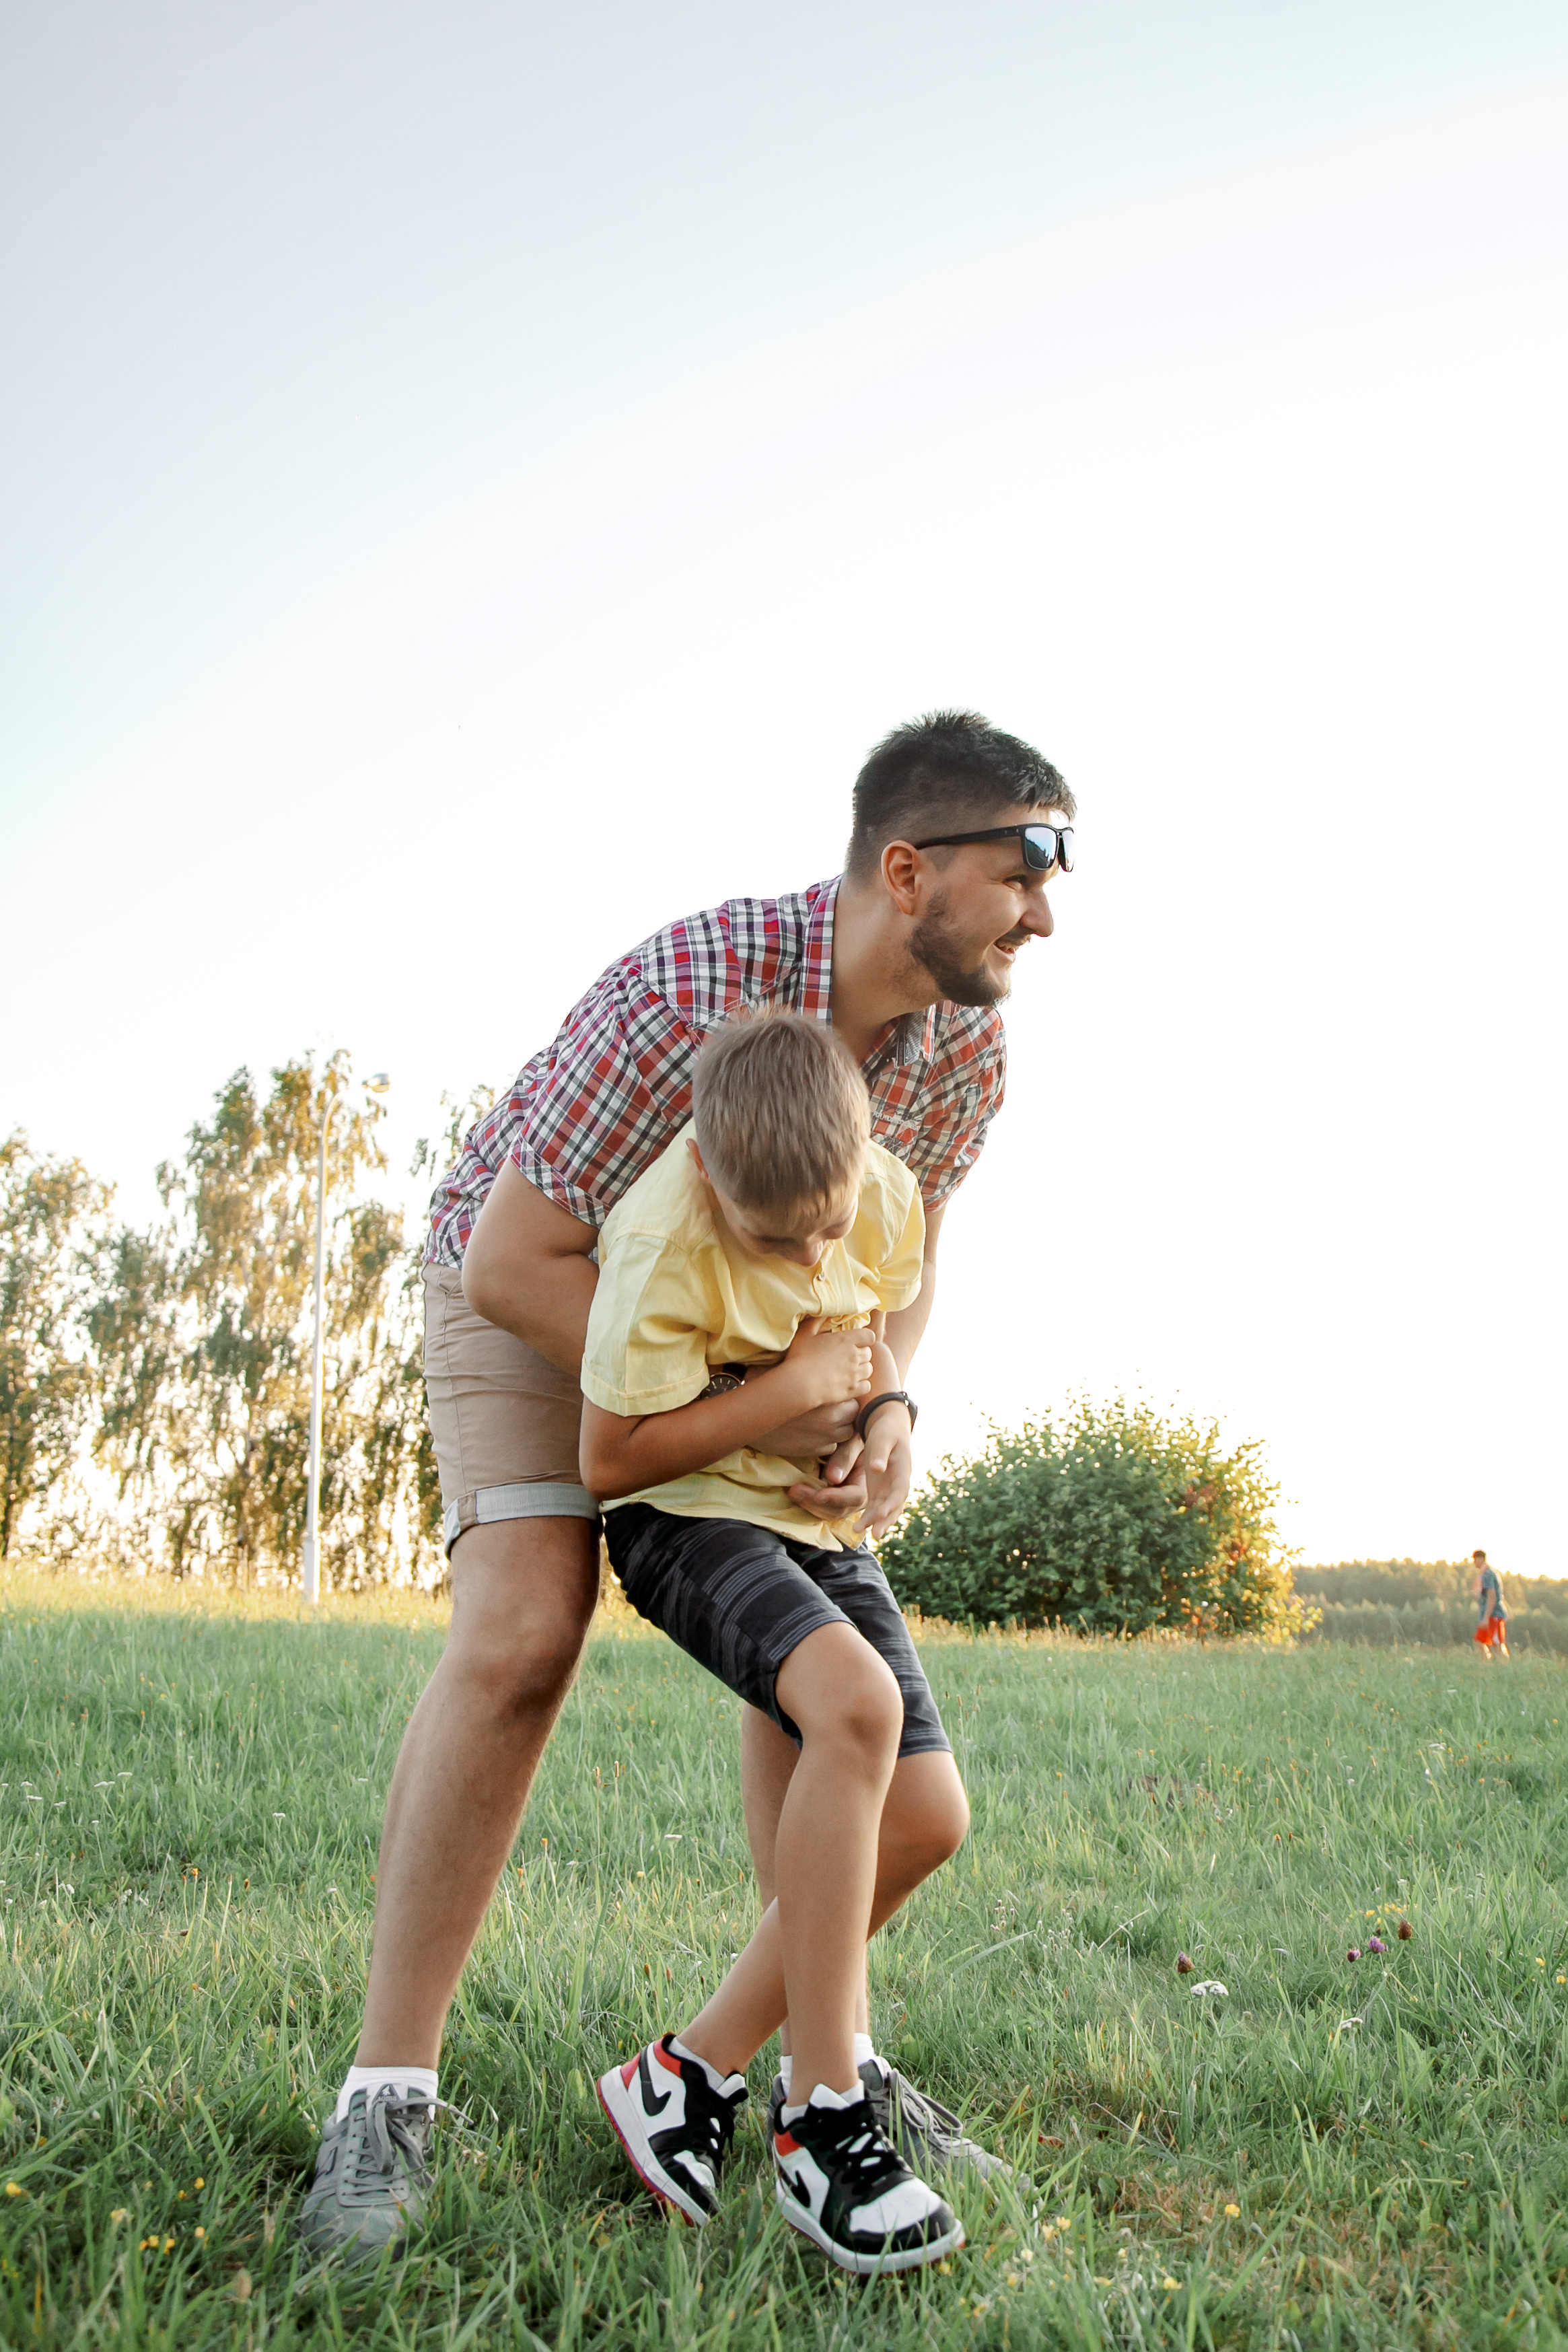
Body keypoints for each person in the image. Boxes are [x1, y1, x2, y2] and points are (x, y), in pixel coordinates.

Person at [299, 709, 1075, 2258]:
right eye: (1028, 863)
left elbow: (901, 1261)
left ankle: (817, 2063)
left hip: (762, 1341)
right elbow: (520, 1260)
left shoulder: (967, 1049)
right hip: (545, 1291)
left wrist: (881, 1396)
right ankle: (384, 2097)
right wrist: (744, 1407)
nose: (1047, 908)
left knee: (814, 1676)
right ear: (905, 867)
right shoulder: (682, 992)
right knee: (523, 1631)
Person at [586, 1014, 966, 2273]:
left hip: (817, 1524)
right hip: (681, 1519)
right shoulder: (660, 1237)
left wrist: (881, 1418)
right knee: (854, 1709)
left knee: (927, 1819)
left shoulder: (886, 1194)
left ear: (865, 1157)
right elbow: (610, 1460)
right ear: (706, 1172)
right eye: (775, 1239)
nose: (813, 1255)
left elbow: (885, 1316)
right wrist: (786, 1397)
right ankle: (825, 2120)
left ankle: (685, 2073)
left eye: (830, 1222)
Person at [1472, 1548, 1509, 1659]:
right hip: (1491, 1615)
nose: (1474, 1563)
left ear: (1481, 1559)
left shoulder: (1488, 1574)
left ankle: (1505, 1667)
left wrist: (1486, 1618)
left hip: (1494, 1615)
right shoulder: (1488, 1573)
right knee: (1479, 1642)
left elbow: (1492, 1597)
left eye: (1475, 1560)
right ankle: (1486, 1667)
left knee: (1497, 1645)